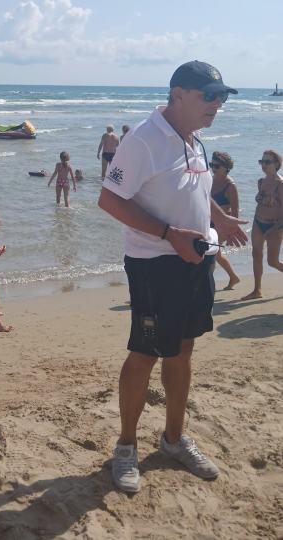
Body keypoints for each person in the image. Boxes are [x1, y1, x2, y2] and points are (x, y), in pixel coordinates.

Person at [98, 60, 247, 494]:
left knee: (182, 351)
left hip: (197, 261)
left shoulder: (194, 138)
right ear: (178, 94)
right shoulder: (143, 140)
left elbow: (195, 190)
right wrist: (169, 235)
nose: (217, 105)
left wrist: (221, 218)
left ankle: (174, 439)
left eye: (221, 97)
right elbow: (109, 200)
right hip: (154, 265)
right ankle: (126, 448)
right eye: (209, 96)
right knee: (144, 355)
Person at [241, 149, 283, 300]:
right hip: (258, 223)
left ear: (277, 164)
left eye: (267, 162)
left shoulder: (281, 184)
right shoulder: (261, 181)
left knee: (272, 261)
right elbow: (261, 205)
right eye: (262, 162)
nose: (263, 165)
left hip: (275, 226)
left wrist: (274, 229)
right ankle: (257, 290)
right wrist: (256, 222)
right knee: (256, 254)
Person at [209, 151, 241, 290]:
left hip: (222, 225)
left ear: (226, 167)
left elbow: (235, 212)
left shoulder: (230, 186)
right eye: (211, 165)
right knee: (216, 253)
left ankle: (205, 284)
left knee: (212, 254)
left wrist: (232, 231)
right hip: (207, 222)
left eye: (216, 166)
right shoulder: (210, 180)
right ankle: (233, 277)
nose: (213, 168)